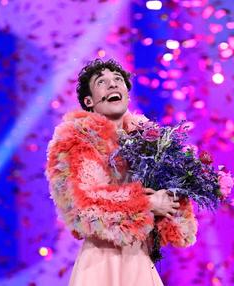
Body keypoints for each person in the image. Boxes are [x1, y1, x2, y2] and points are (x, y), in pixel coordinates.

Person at [45, 59, 197, 286]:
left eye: (118, 80)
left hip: (140, 259)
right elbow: (82, 206)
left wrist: (173, 198)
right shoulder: (76, 139)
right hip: (103, 261)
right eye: (102, 82)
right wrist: (146, 204)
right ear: (89, 101)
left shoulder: (150, 142)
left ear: (127, 94)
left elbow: (168, 210)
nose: (112, 85)